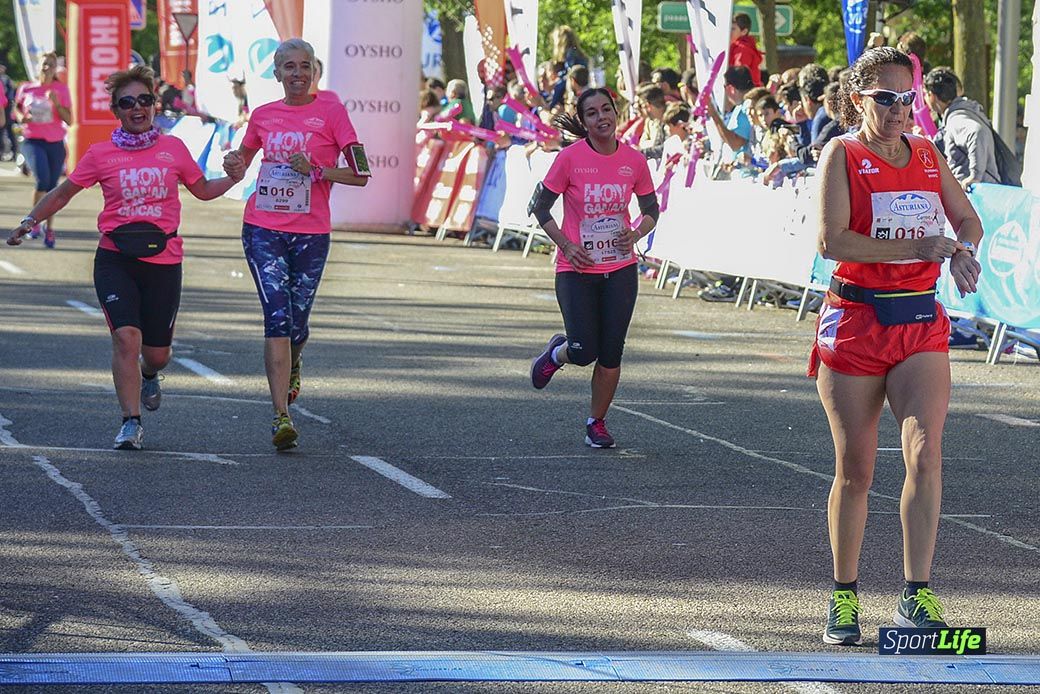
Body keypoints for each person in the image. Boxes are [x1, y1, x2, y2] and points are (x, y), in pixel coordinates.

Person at [811, 47, 983, 646]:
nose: (898, 109)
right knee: (856, 469)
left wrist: (961, 252)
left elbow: (967, 221)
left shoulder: (928, 154)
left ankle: (917, 592)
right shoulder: (842, 154)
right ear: (858, 99)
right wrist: (916, 248)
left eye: (906, 98)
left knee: (926, 452)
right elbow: (832, 240)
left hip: (918, 321)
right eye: (885, 99)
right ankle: (844, 594)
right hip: (856, 321)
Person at [6, 66, 241, 450]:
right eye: (127, 102)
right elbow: (63, 193)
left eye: (144, 100)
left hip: (164, 260)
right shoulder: (101, 154)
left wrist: (233, 178)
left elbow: (202, 189)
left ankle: (150, 374)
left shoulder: (173, 149)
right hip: (115, 258)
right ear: (116, 110)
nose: (137, 108)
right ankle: (131, 422)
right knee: (126, 338)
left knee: (157, 354)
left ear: (155, 104)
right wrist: (30, 221)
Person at [222, 38, 370, 451]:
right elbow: (242, 162)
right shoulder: (263, 115)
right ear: (277, 73)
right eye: (290, 67)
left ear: (314, 72)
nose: (298, 74)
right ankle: (280, 415)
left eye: (305, 66)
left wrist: (317, 170)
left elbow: (361, 173)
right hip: (263, 227)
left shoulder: (333, 113)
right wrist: (234, 162)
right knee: (277, 317)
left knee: (297, 325)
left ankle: (295, 359)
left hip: (311, 233)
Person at [527, 88, 659, 448]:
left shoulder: (634, 160)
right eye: (592, 113)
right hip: (576, 270)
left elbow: (651, 209)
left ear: (616, 113)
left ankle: (596, 423)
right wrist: (567, 245)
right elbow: (540, 207)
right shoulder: (570, 158)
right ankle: (558, 353)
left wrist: (636, 233)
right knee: (584, 351)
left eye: (606, 109)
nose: (602, 117)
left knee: (612, 351)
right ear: (584, 122)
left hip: (620, 268)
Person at [14, 52, 72, 248]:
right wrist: (21, 117)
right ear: (38, 66)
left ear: (56, 69)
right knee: (42, 180)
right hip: (32, 140)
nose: (47, 68)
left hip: (55, 142)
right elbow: (17, 109)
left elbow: (69, 120)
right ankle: (33, 222)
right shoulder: (26, 88)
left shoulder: (61, 89)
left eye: (51, 65)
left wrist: (56, 103)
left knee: (53, 188)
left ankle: (49, 228)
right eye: (44, 64)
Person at [923, 67, 999, 190]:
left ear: (932, 95)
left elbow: (977, 132)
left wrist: (975, 176)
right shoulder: (966, 111)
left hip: (976, 195)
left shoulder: (956, 118)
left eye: (925, 94)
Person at [729, 13, 763, 87]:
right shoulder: (738, 47)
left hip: (743, 90)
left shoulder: (743, 49)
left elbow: (739, 75)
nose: (729, 32)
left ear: (744, 31)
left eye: (733, 29)